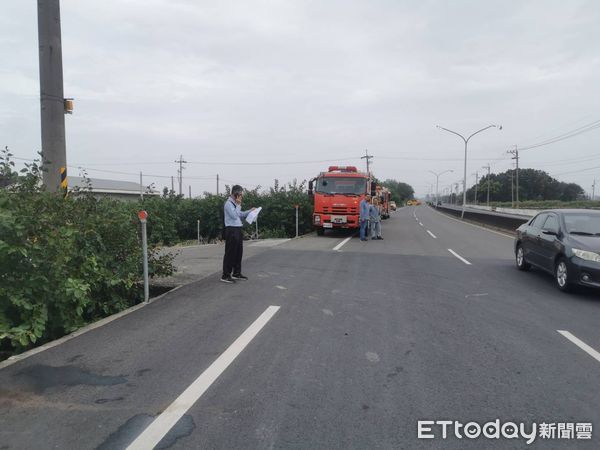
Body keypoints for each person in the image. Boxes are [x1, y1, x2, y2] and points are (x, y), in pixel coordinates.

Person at [221, 185, 255, 283]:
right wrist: (239, 205)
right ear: (235, 193)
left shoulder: (235, 204)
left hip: (238, 229)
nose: (241, 196)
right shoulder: (228, 204)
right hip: (231, 230)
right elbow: (234, 216)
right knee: (230, 253)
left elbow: (241, 214)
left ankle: (236, 273)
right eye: (240, 194)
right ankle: (225, 275)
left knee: (238, 253)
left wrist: (251, 211)